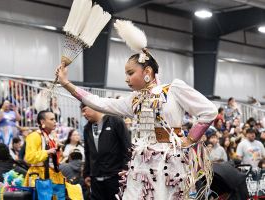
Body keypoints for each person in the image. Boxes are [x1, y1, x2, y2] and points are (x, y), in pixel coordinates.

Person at [56, 20, 217, 199]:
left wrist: (190, 139)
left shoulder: (173, 89)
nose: (126, 79)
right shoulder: (134, 99)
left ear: (147, 71)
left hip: (169, 162)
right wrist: (66, 84)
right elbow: (99, 102)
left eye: (130, 73)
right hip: (141, 163)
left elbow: (209, 111)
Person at [81, 104, 131, 200]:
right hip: (96, 179)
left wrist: (125, 169)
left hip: (115, 177)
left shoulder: (115, 121)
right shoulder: (87, 128)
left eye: (84, 110)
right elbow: (88, 152)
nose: (83, 114)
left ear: (93, 106)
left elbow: (127, 146)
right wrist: (86, 173)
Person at [23, 110, 64, 187]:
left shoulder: (51, 137)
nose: (55, 121)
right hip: (38, 176)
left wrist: (58, 150)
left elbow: (56, 160)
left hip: (52, 174)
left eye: (55, 119)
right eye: (51, 119)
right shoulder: (34, 136)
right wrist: (47, 152)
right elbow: (29, 157)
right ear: (42, 122)